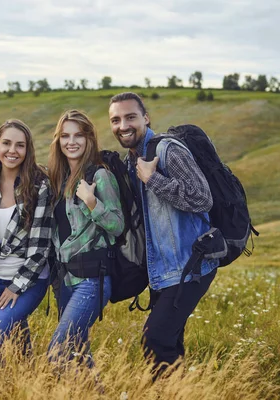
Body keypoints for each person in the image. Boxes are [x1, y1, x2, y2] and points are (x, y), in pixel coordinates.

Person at [108, 92, 218, 377]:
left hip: (190, 266)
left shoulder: (168, 150)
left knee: (154, 339)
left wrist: (153, 179)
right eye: (116, 120)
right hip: (164, 271)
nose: (123, 125)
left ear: (146, 118)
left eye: (130, 117)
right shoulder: (130, 159)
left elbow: (202, 199)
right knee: (169, 342)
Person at [46, 109, 124, 368]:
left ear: (89, 139)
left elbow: (117, 226)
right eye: (65, 135)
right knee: (78, 355)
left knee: (58, 350)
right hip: (64, 281)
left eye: (79, 135)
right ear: (58, 140)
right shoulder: (58, 180)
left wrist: (92, 202)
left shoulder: (100, 176)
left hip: (92, 280)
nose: (72, 141)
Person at [0, 119, 53, 364]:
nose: (12, 151)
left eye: (20, 145)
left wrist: (15, 287)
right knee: (18, 336)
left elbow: (41, 247)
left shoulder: (39, 185)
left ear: (27, 149)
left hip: (29, 280)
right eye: (7, 143)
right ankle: (28, 378)